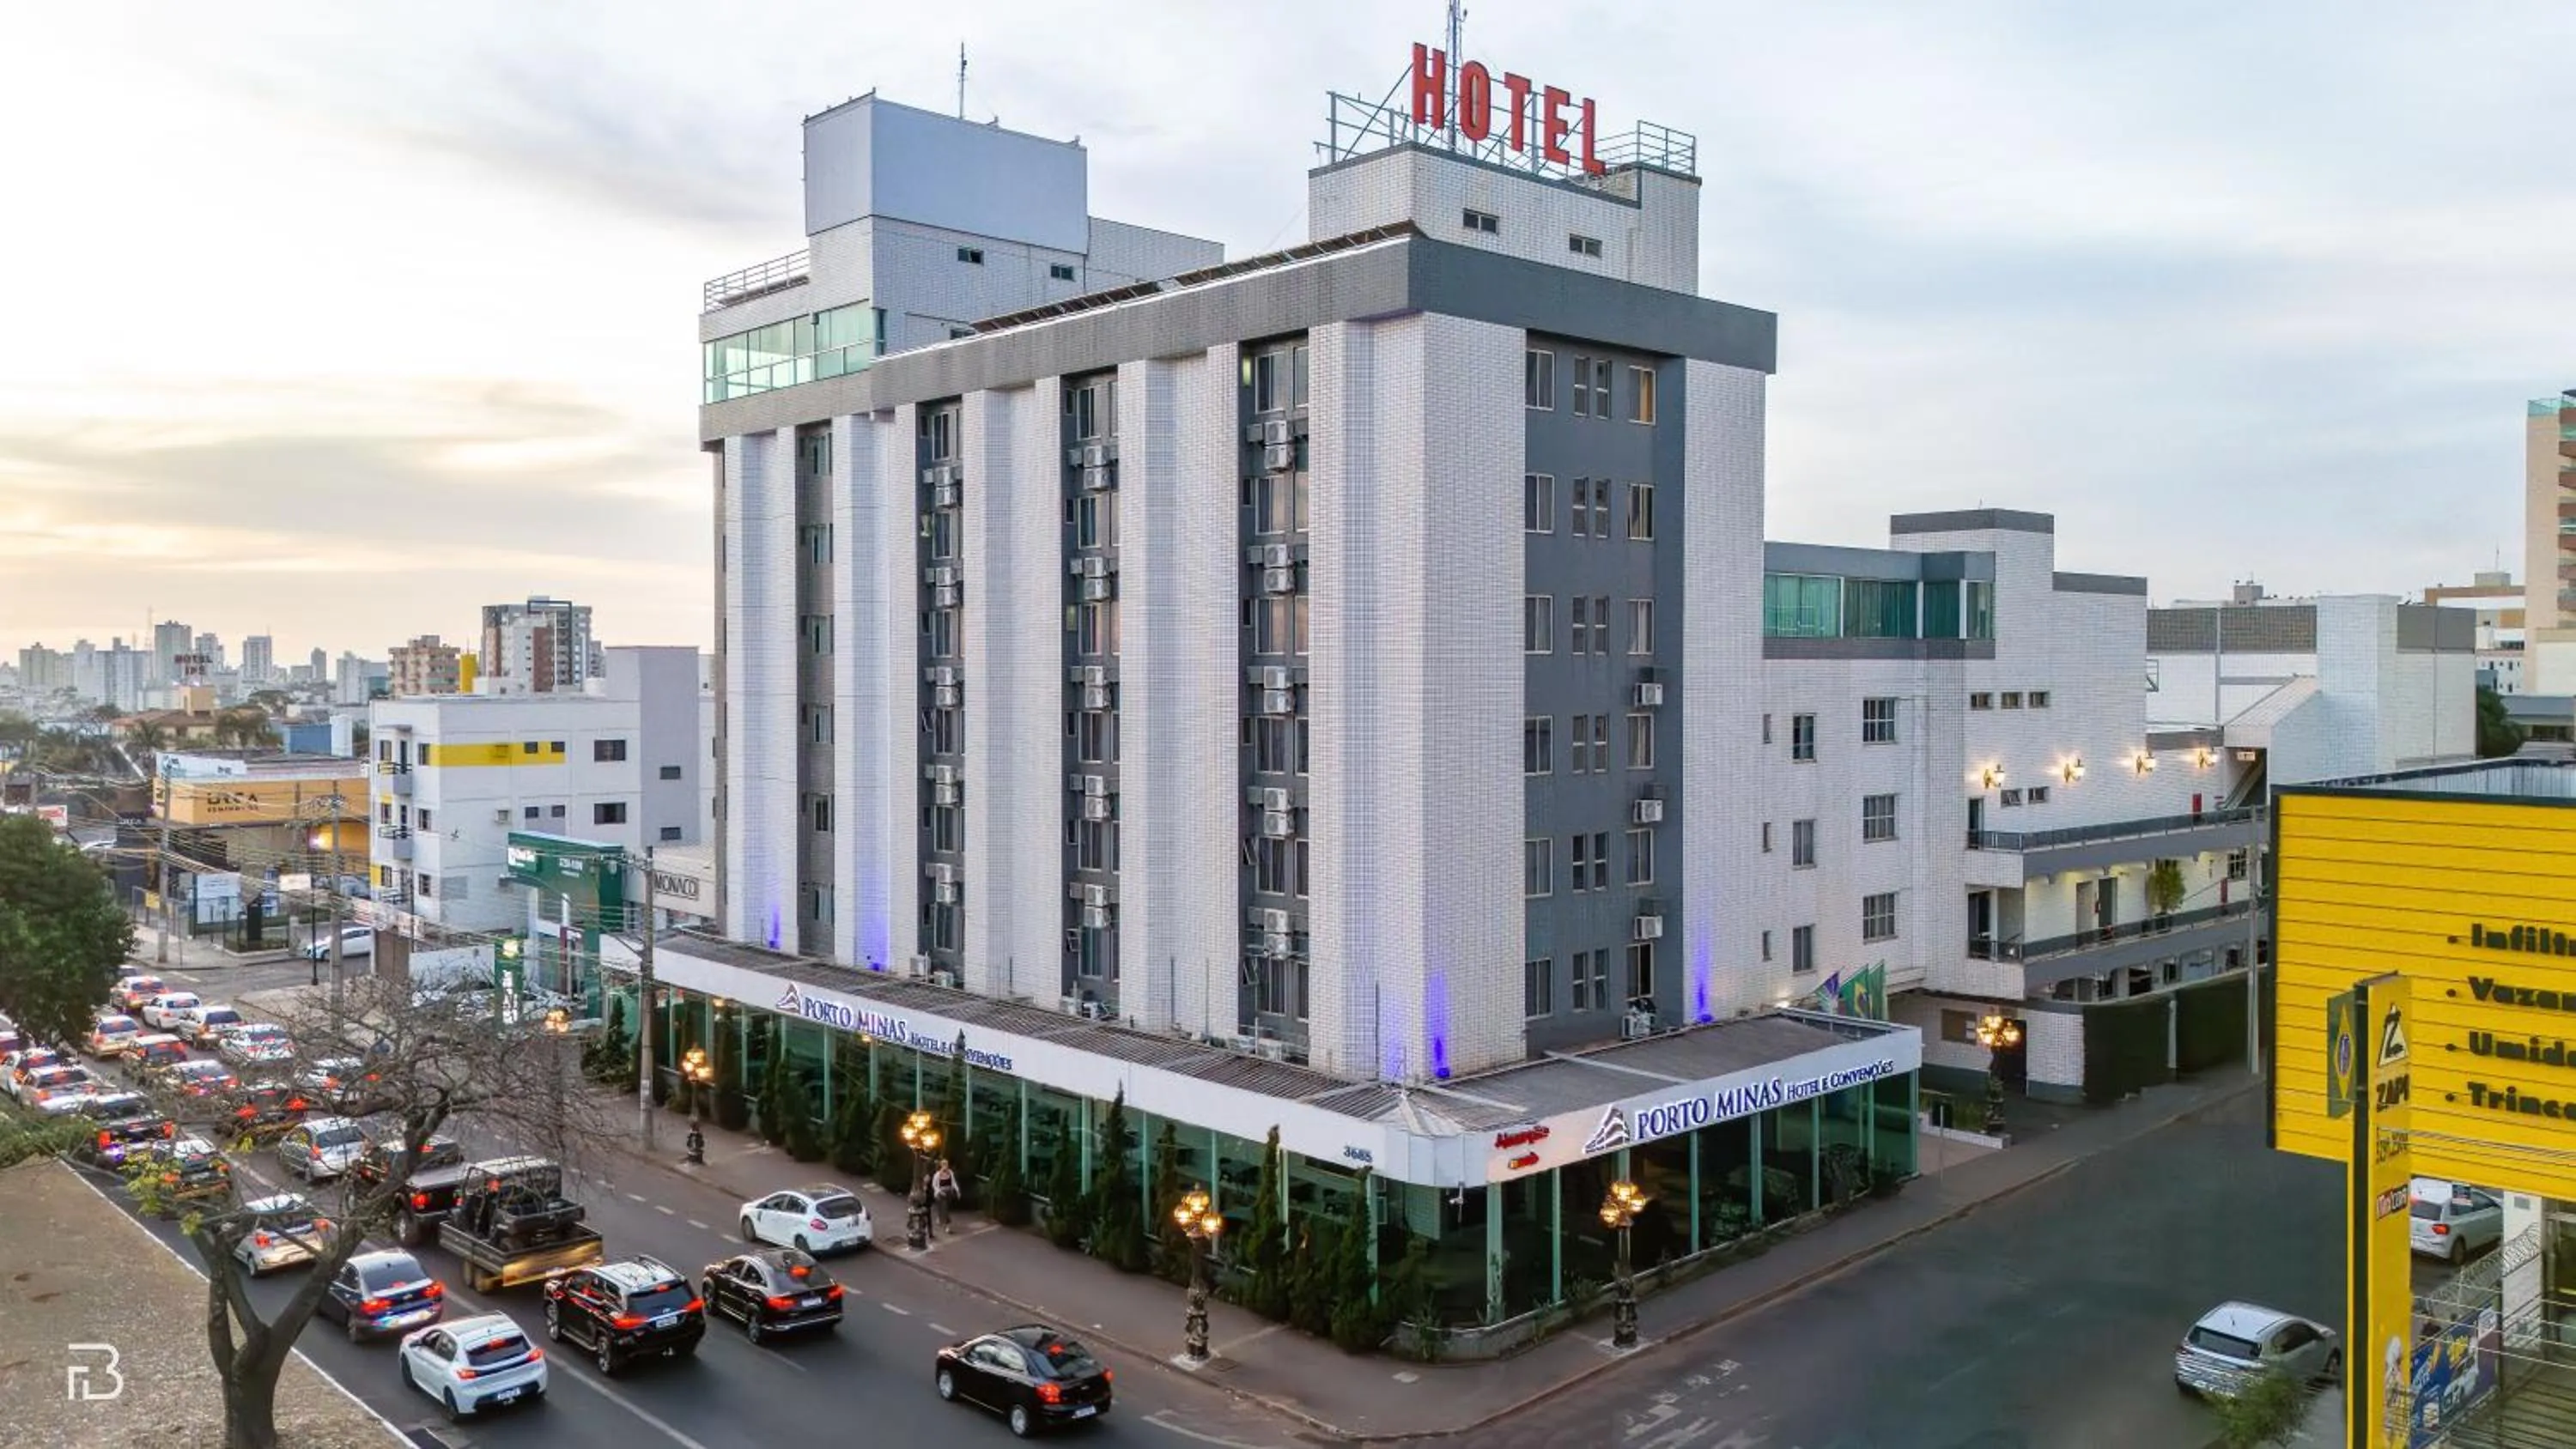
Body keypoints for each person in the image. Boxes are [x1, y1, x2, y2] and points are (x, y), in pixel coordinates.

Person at [932, 1157, 960, 1230]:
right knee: (945, 1208)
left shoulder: (950, 1173)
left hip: (949, 1192)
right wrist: (940, 1192)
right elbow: (934, 1185)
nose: (945, 1166)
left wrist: (957, 1191)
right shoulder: (937, 1174)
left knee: (945, 1208)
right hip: (941, 1193)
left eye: (946, 1164)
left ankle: (941, 1218)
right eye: (944, 1164)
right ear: (941, 1165)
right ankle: (948, 1225)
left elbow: (953, 1183)